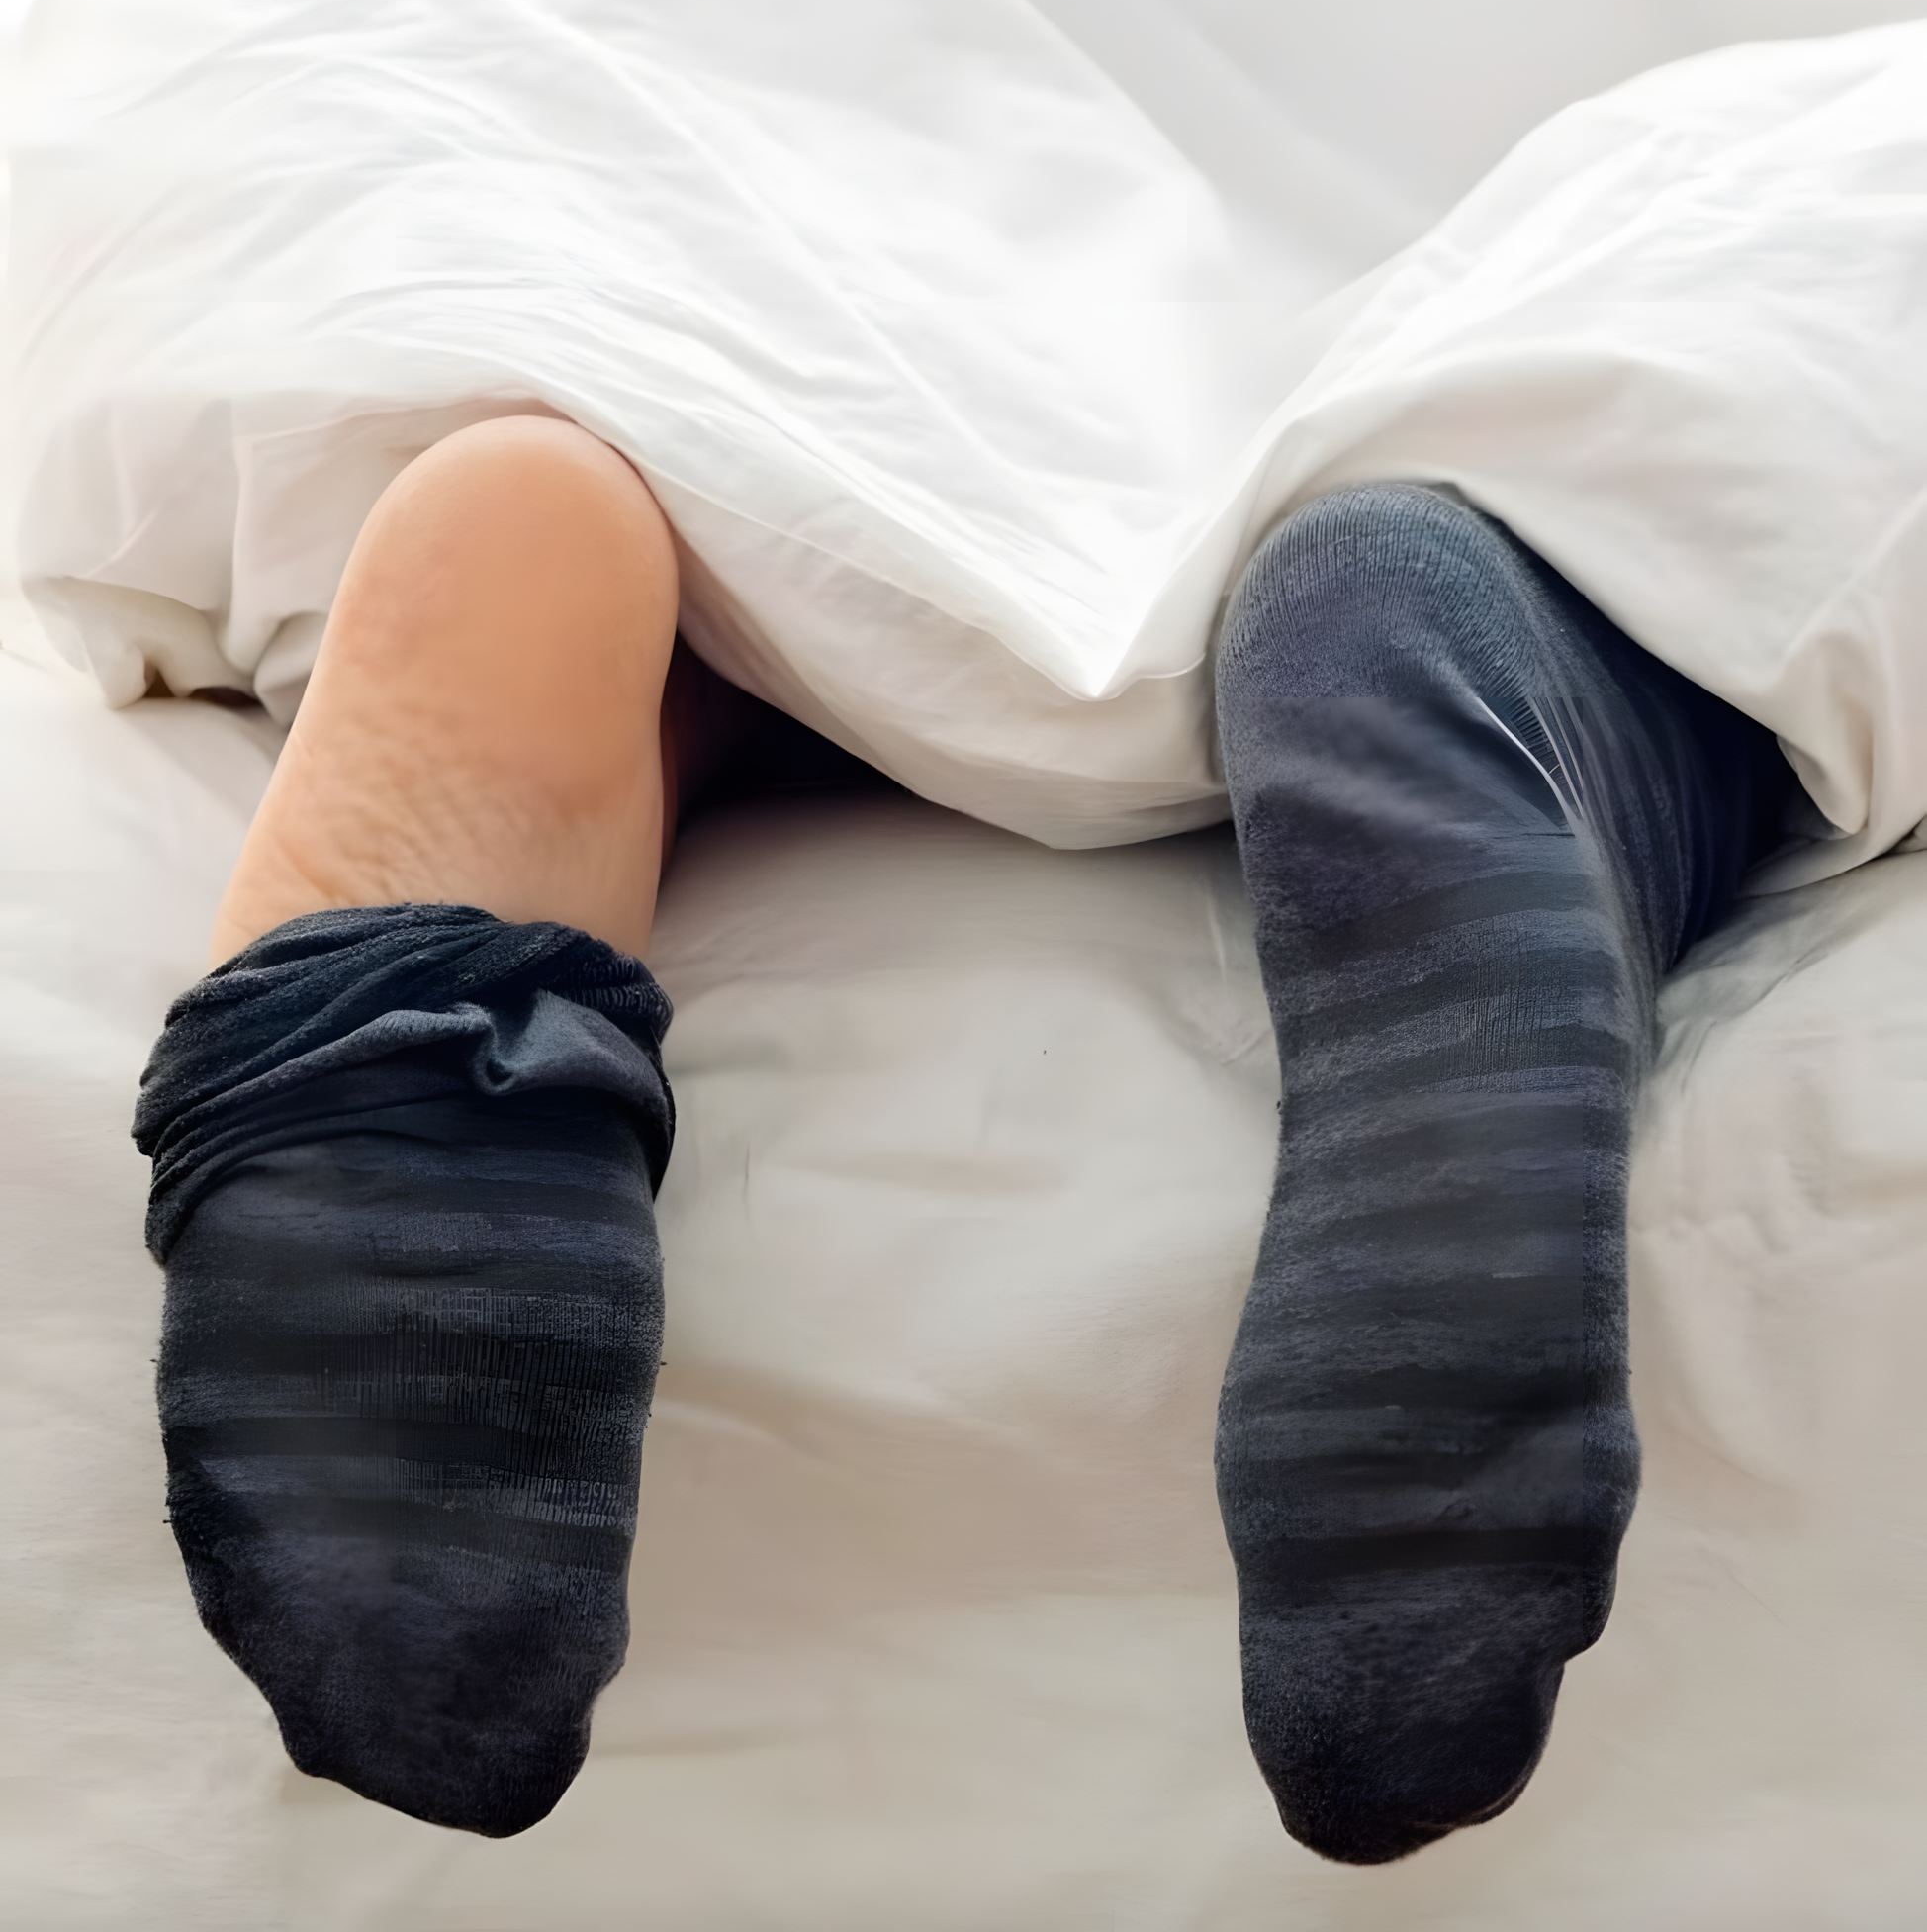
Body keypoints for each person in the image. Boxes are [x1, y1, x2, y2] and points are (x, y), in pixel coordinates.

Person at [134, 412, 1792, 1861]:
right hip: (1378, 414)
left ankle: (445, 946)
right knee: (1493, 533)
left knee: (624, 490)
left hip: (838, 456)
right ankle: (1455, 671)